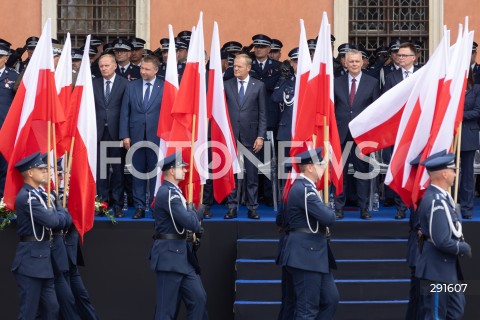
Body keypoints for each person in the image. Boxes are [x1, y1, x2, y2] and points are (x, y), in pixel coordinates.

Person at [280, 147, 339, 319]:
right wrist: (328, 208)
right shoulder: (305, 190)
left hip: (314, 255)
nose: (324, 168)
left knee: (331, 299)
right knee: (307, 310)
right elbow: (329, 218)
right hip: (305, 256)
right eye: (321, 164)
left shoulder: (306, 188)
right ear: (310, 167)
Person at [150, 152, 207, 320]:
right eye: (181, 168)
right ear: (172, 171)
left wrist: (192, 214)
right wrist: (197, 213)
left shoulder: (175, 192)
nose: (184, 170)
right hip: (169, 257)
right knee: (165, 312)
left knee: (199, 299)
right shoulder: (168, 193)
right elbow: (191, 223)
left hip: (182, 257)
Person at [415, 151, 472, 319]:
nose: (455, 174)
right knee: (435, 315)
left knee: (456, 309)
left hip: (447, 271)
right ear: (445, 173)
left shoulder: (443, 198)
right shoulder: (436, 201)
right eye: (453, 170)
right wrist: (462, 247)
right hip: (436, 272)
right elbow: (442, 241)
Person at [11, 152, 67, 319]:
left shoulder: (42, 194)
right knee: (29, 312)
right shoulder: (27, 198)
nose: (45, 172)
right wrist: (59, 213)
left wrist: (58, 213)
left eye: (45, 169)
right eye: (40, 169)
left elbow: (63, 219)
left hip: (43, 259)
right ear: (29, 173)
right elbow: (52, 221)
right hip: (31, 260)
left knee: (52, 309)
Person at [334, 49, 380, 220]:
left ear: (363, 63)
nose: (354, 64)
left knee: (362, 173)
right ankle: (338, 207)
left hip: (362, 134)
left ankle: (363, 208)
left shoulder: (372, 82)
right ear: (345, 63)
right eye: (350, 61)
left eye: (357, 61)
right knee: (340, 173)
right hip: (340, 133)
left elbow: (376, 110)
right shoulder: (335, 82)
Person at [119, 55, 164, 219]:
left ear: (156, 70)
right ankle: (139, 206)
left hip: (157, 136)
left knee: (155, 172)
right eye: (141, 68)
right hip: (135, 135)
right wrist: (125, 135)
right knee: (137, 172)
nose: (143, 71)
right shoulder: (132, 86)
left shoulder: (164, 87)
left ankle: (154, 205)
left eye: (146, 69)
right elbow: (125, 112)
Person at [224, 53, 267, 219]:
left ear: (248, 68)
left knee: (251, 174)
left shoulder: (259, 86)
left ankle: (252, 207)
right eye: (234, 65)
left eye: (239, 66)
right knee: (231, 173)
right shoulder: (227, 85)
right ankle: (232, 207)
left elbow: (263, 113)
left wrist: (261, 136)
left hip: (251, 136)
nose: (235, 68)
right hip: (231, 136)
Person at [382, 42, 420, 219]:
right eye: (399, 55)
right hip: (397, 130)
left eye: (404, 55)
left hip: (417, 128)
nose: (400, 58)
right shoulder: (391, 77)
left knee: (415, 167)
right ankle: (400, 206)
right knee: (398, 166)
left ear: (414, 57)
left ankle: (415, 203)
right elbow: (386, 104)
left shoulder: (422, 74)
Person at [93, 53, 129, 218]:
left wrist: (124, 134)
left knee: (117, 171)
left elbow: (126, 111)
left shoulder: (125, 84)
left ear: (115, 66)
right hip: (99, 134)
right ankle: (102, 203)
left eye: (106, 65)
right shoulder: (94, 84)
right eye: (101, 66)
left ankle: (118, 205)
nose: (103, 68)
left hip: (116, 134)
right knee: (101, 171)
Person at [458, 70, 480, 219]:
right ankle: (449, 203)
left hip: (468, 135)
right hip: (450, 136)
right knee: (447, 172)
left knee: (466, 174)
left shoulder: (476, 88)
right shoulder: (450, 86)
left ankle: (466, 207)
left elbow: (477, 111)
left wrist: (459, 115)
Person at [0, 42, 19, 198]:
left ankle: (3, 202)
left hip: (6, 130)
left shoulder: (13, 76)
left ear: (6, 58)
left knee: (5, 167)